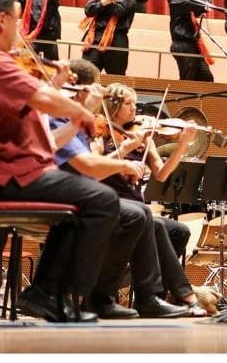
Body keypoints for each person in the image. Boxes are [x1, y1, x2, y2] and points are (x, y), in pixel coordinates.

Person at [0, 0, 130, 323]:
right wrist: (83, 113)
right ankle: (55, 294)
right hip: (5, 176)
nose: (19, 28)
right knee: (103, 200)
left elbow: (30, 102)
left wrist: (55, 87)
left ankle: (44, 293)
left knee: (80, 202)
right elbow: (45, 101)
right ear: (1, 20)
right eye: (17, 20)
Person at [50, 62, 203, 317]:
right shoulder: (99, 132)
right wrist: (125, 151)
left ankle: (157, 293)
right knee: (151, 222)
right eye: (129, 104)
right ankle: (164, 297)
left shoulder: (141, 135)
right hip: (112, 201)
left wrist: (182, 145)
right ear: (114, 106)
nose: (135, 109)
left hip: (132, 204)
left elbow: (162, 174)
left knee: (178, 230)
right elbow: (92, 168)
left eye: (134, 104)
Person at [81, 0, 136, 76]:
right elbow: (89, 11)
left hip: (117, 41)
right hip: (94, 39)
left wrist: (103, 1)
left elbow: (119, 10)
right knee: (85, 75)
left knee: (115, 78)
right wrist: (104, 2)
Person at [168, 0, 214, 82]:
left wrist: (205, 5)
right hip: (182, 45)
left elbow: (196, 9)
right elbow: (193, 3)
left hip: (192, 44)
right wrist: (207, 1)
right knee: (187, 78)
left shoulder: (186, 1)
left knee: (206, 77)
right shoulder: (176, 0)